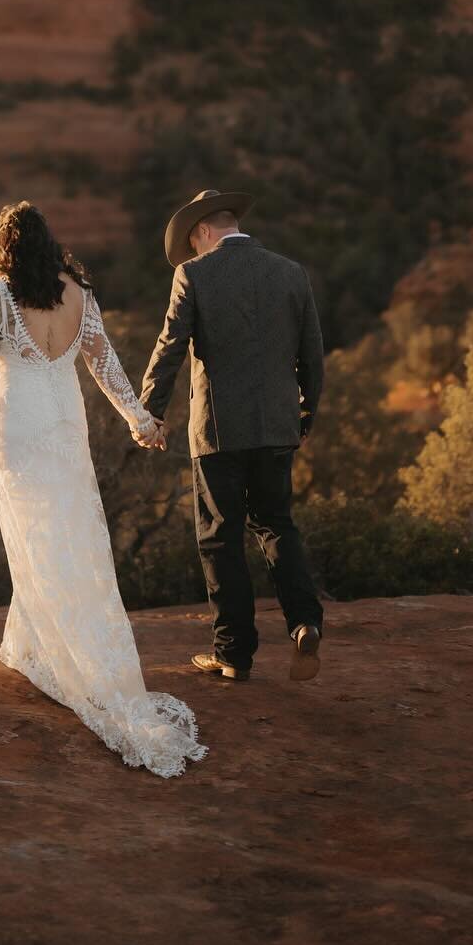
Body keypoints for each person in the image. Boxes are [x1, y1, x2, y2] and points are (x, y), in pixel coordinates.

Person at [0, 200, 206, 777]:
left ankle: (54, 652)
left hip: (16, 425)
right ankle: (32, 639)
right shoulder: (77, 292)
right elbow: (105, 364)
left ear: (4, 245)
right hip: (65, 421)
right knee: (71, 532)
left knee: (33, 535)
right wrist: (139, 419)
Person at [141, 188, 325, 683]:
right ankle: (305, 622)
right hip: (278, 424)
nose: (193, 250)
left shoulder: (194, 274)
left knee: (220, 537)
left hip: (218, 431)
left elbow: (170, 345)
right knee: (276, 525)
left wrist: (150, 413)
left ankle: (233, 654)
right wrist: (306, 412)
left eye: (192, 242)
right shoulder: (290, 272)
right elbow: (313, 353)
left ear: (202, 231)